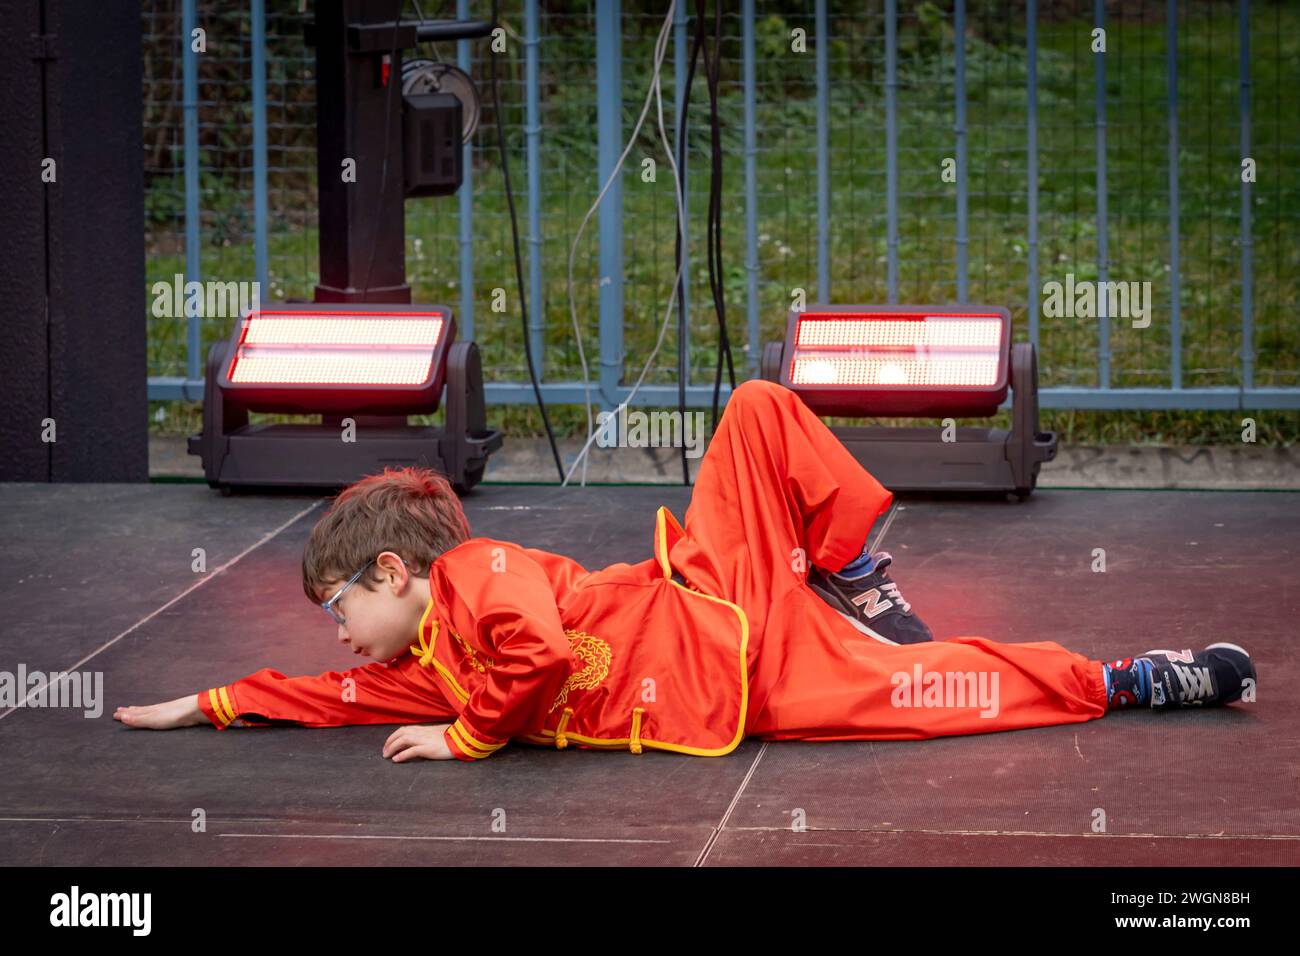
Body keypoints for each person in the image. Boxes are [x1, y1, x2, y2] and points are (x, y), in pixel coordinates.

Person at [114, 379, 1256, 761]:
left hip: (708, 591)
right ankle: (1140, 679)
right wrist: (202, 704)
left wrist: (466, 739)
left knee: (756, 408)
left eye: (337, 604)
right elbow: (329, 696)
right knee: (948, 688)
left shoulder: (478, 568)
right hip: (754, 689)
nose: (336, 629)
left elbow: (538, 651)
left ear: (395, 569)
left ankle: (853, 566)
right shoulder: (424, 671)